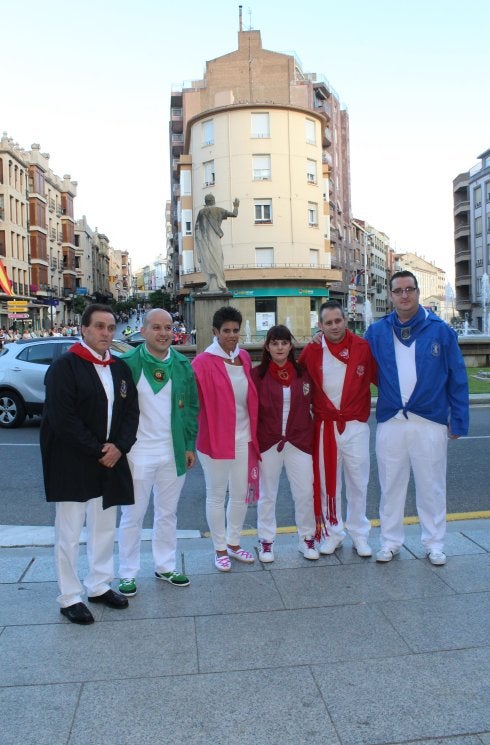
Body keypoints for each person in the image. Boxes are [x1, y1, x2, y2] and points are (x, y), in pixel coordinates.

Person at [40, 304, 139, 624]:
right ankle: (69, 596)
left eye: (110, 328)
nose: (106, 333)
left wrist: (119, 447)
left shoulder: (120, 369)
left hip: (109, 462)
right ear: (83, 329)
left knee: (104, 526)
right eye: (99, 327)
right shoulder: (64, 367)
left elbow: (131, 414)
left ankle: (98, 585)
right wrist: (99, 449)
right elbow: (62, 419)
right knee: (68, 531)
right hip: (72, 461)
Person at [365, 270, 469, 565]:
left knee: (432, 486)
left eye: (409, 289)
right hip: (391, 420)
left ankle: (434, 543)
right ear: (391, 295)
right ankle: (390, 541)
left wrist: (458, 419)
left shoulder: (440, 330)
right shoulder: (377, 332)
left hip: (431, 421)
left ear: (418, 292)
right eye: (398, 291)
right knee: (390, 485)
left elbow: (457, 378)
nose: (404, 295)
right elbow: (355, 362)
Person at [117, 308, 199, 596]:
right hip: (137, 453)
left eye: (168, 327)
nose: (164, 333)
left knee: (168, 514)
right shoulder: (126, 363)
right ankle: (127, 572)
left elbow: (190, 408)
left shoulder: (182, 364)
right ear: (143, 332)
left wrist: (189, 446)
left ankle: (165, 566)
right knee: (132, 515)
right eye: (156, 327)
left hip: (172, 451)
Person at [299, 300, 377, 557]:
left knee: (358, 482)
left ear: (346, 320)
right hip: (325, 426)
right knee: (328, 483)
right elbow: (296, 381)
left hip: (355, 425)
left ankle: (359, 534)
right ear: (320, 325)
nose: (334, 326)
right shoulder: (312, 351)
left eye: (338, 321)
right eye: (328, 322)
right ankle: (333, 533)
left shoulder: (363, 348)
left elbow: (382, 379)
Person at [192, 306, 260, 571]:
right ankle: (219, 548)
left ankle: (234, 543)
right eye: (226, 331)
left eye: (235, 331)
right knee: (217, 495)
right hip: (214, 441)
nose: (232, 336)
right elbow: (192, 404)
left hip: (243, 437)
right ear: (215, 332)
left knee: (242, 494)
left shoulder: (243, 358)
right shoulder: (203, 363)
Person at [252, 325, 319, 562]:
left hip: (299, 442)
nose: (279, 347)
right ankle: (266, 541)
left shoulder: (303, 372)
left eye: (283, 343)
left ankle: (307, 538)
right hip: (268, 442)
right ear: (267, 347)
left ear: (290, 346)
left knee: (304, 493)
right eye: (274, 343)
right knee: (267, 494)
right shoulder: (257, 375)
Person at [194, 194, 239, 293]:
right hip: (215, 240)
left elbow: (197, 229)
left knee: (209, 261)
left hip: (205, 241)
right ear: (213, 201)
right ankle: (219, 283)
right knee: (218, 260)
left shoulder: (201, 212)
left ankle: (213, 283)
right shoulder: (219, 210)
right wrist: (236, 206)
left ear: (205, 202)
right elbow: (234, 214)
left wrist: (198, 245)